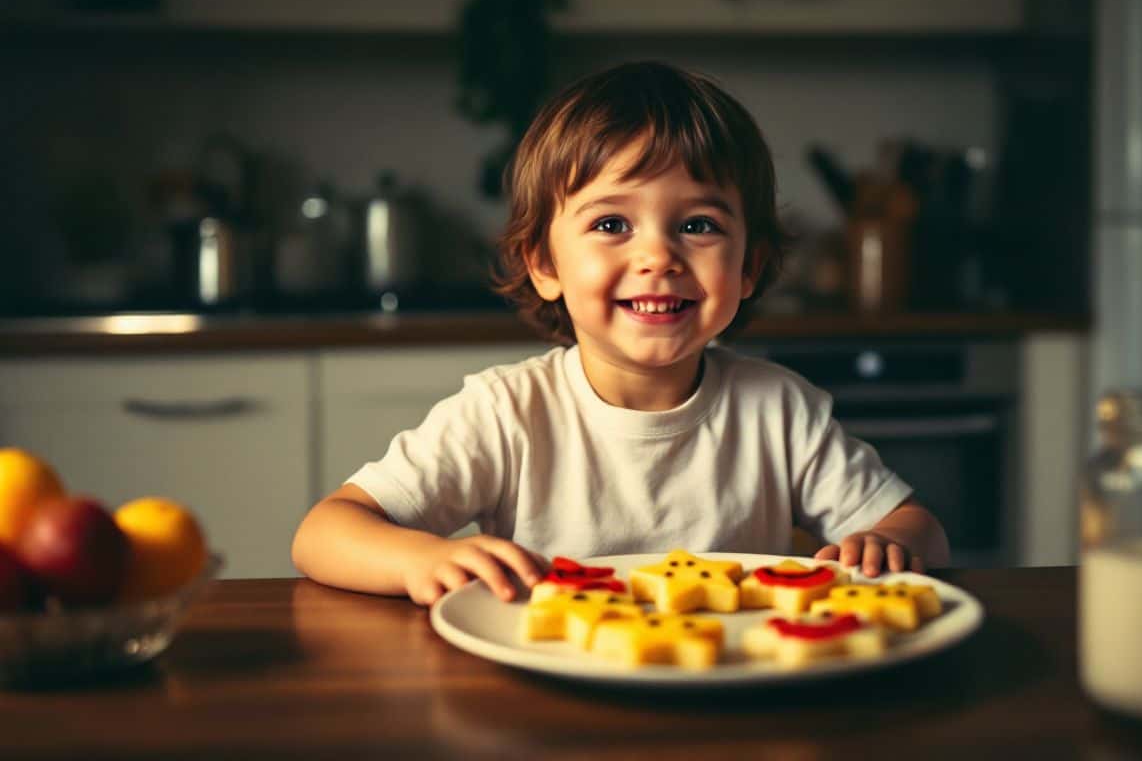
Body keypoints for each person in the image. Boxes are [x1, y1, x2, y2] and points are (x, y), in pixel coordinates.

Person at [291, 61, 950, 604]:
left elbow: (916, 525)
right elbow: (324, 532)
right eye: (611, 225)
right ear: (543, 263)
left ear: (748, 267)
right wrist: (420, 558)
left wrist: (892, 542)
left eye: (698, 225)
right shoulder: (504, 413)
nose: (658, 257)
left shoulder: (781, 411)